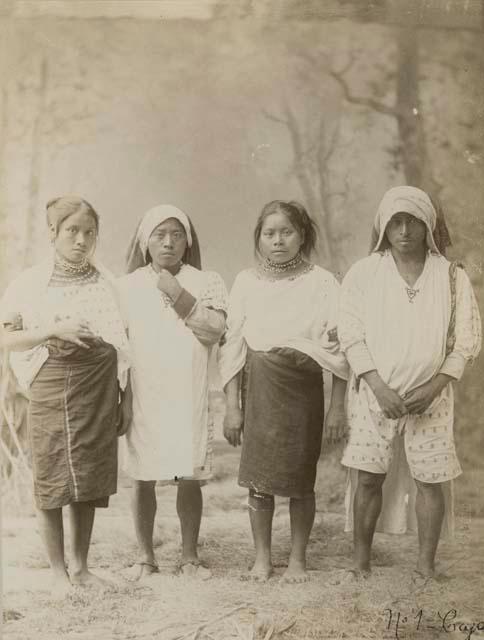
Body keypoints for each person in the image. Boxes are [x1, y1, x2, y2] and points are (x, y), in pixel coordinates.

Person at [338, 186, 481, 580]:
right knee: (368, 476)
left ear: (428, 226)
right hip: (373, 394)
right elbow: (350, 333)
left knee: (430, 480)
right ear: (384, 226)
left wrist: (435, 386)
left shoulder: (451, 277)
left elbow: (467, 340)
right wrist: (378, 386)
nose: (404, 231)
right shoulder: (365, 273)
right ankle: (360, 564)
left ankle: (425, 565)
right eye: (396, 222)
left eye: (413, 222)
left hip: (431, 398)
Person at [0, 196, 130, 598]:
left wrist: (124, 398)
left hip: (98, 387)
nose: (81, 240)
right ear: (52, 232)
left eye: (89, 232)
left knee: (88, 475)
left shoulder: (107, 283)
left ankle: (82, 567)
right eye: (72, 230)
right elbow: (7, 337)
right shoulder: (28, 284)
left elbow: (124, 344)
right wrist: (52, 332)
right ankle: (57, 573)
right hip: (51, 383)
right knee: (53, 475)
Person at [219, 200, 349, 583]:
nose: (278, 241)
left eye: (287, 232)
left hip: (303, 391)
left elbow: (339, 348)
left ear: (303, 235)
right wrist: (232, 406)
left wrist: (338, 408)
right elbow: (233, 347)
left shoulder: (323, 282)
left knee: (299, 479)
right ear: (259, 238)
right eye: (269, 233)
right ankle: (262, 558)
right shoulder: (245, 282)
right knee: (259, 479)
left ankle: (297, 559)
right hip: (260, 389)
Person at [118, 204, 228, 580]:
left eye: (176, 234)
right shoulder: (127, 286)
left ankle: (189, 557)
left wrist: (178, 294)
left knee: (189, 473)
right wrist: (124, 399)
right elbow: (121, 345)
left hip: (188, 389)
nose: (168, 242)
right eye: (159, 234)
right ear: (144, 240)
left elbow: (214, 330)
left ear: (188, 240)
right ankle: (145, 557)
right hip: (145, 390)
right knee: (142, 474)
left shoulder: (206, 280)